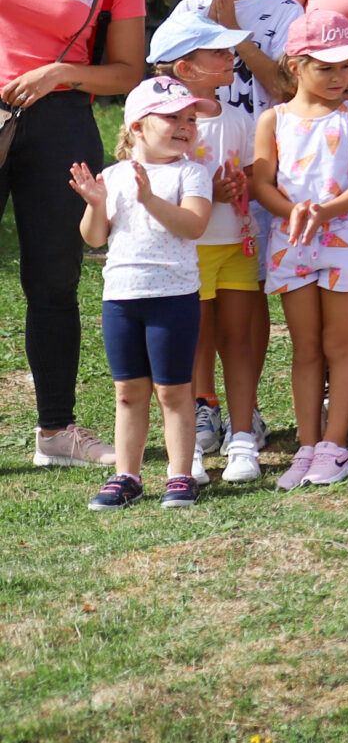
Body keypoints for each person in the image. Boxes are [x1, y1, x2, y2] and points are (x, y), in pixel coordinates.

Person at [3, 0, 149, 469]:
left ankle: (56, 433)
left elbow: (124, 73)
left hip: (62, 121)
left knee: (54, 283)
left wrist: (61, 69)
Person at [252, 10, 348, 489]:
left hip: (346, 243)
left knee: (340, 344)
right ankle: (307, 448)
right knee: (306, 347)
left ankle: (335, 448)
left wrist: (324, 213)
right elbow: (262, 181)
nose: (339, 77)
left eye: (345, 67)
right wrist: (292, 213)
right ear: (295, 65)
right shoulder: (273, 119)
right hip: (293, 245)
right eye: (326, 67)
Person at [71, 77, 217, 509]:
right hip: (121, 299)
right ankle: (127, 476)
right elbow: (94, 238)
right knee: (128, 392)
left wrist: (151, 198)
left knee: (174, 391)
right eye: (172, 117)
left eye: (190, 118)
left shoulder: (191, 172)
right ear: (136, 125)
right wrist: (96, 203)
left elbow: (193, 225)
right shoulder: (113, 175)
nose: (185, 125)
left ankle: (179, 475)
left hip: (173, 299)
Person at [151, 10, 265, 481]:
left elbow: (256, 174)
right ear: (186, 69)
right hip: (186, 252)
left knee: (237, 341)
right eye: (217, 52)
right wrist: (204, 191)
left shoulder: (238, 118)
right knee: (193, 344)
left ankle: (242, 437)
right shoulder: (160, 121)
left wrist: (243, 184)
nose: (229, 57)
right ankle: (194, 436)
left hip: (235, 246)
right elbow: (155, 179)